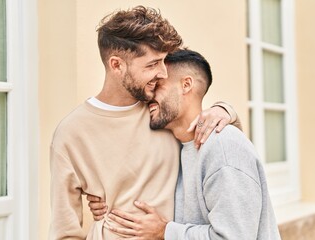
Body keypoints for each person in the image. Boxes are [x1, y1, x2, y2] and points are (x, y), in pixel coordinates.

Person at [49, 6, 240, 240]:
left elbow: (221, 149)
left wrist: (225, 111)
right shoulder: (71, 133)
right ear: (117, 65)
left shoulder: (161, 111)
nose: (162, 73)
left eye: (162, 61)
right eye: (151, 65)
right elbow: (64, 230)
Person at [90, 49, 281, 239]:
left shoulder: (223, 146)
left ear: (186, 85)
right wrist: (107, 196)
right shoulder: (174, 145)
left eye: (158, 85)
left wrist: (164, 231)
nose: (149, 95)